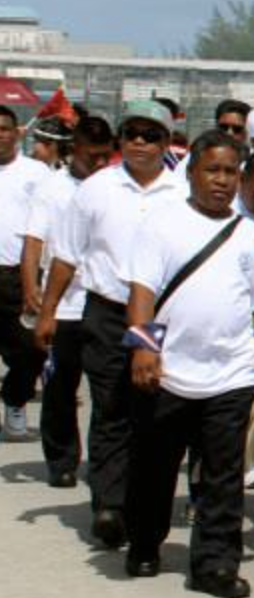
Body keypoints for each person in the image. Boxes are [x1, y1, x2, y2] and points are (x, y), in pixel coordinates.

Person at [122, 131, 254, 598]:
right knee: (154, 467)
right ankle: (145, 543)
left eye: (231, 172)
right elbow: (141, 295)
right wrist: (143, 348)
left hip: (229, 373)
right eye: (212, 170)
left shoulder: (251, 236)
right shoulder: (161, 225)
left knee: (222, 476)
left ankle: (215, 565)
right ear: (190, 173)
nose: (221, 180)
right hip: (168, 373)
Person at [38, 99, 186, 547]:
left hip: (160, 317)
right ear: (122, 139)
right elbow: (65, 255)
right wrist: (47, 312)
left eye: (151, 135)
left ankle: (144, 500)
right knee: (111, 405)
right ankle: (109, 504)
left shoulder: (183, 193)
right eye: (133, 133)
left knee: (153, 408)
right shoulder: (97, 189)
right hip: (107, 313)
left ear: (166, 142)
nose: (140, 142)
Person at [25, 115, 116, 485]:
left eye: (103, 157)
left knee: (106, 392)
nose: (97, 164)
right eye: (90, 156)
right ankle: (62, 459)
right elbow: (34, 240)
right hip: (63, 302)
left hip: (102, 303)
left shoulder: (115, 187)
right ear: (73, 151)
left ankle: (104, 464)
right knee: (62, 384)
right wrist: (33, 287)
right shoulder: (53, 189)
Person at [0, 104, 53, 439]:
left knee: (31, 348)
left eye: (5, 128)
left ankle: (15, 398)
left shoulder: (37, 173)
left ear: (17, 132)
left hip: (18, 275)